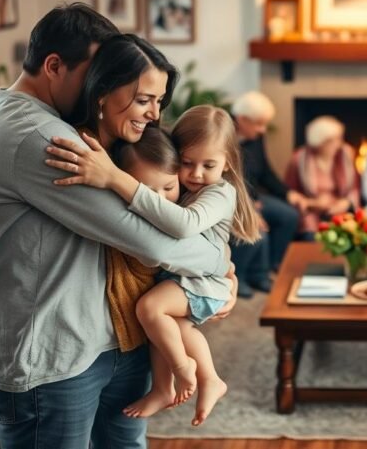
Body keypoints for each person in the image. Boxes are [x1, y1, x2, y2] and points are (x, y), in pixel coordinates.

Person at [0, 5, 236, 449]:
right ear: (54, 66)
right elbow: (149, 243)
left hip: (104, 342)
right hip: (48, 357)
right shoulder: (41, 138)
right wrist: (219, 266)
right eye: (98, 73)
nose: (103, 85)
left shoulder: (73, 128)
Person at [48, 106, 259, 425]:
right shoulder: (189, 187)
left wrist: (118, 180)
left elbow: (185, 224)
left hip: (202, 283)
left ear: (227, 163)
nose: (196, 174)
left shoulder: (220, 192)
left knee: (151, 309)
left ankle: (186, 369)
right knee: (169, 330)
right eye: (187, 163)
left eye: (208, 165)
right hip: (189, 279)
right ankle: (173, 386)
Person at [230, 91, 305, 296]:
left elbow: (265, 172)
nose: (263, 130)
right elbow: (225, 180)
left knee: (289, 215)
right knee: (255, 229)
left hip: (254, 198)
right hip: (232, 201)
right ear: (242, 119)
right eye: (259, 124)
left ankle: (267, 270)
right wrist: (248, 208)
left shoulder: (255, 138)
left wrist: (288, 193)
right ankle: (238, 276)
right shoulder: (222, 136)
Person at [285, 115, 359, 239]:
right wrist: (311, 203)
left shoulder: (345, 156)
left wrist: (346, 203)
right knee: (312, 236)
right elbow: (290, 191)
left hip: (339, 209)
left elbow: (354, 187)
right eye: (333, 140)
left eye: (340, 138)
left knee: (349, 235)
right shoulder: (299, 159)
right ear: (320, 142)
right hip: (311, 211)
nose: (339, 144)